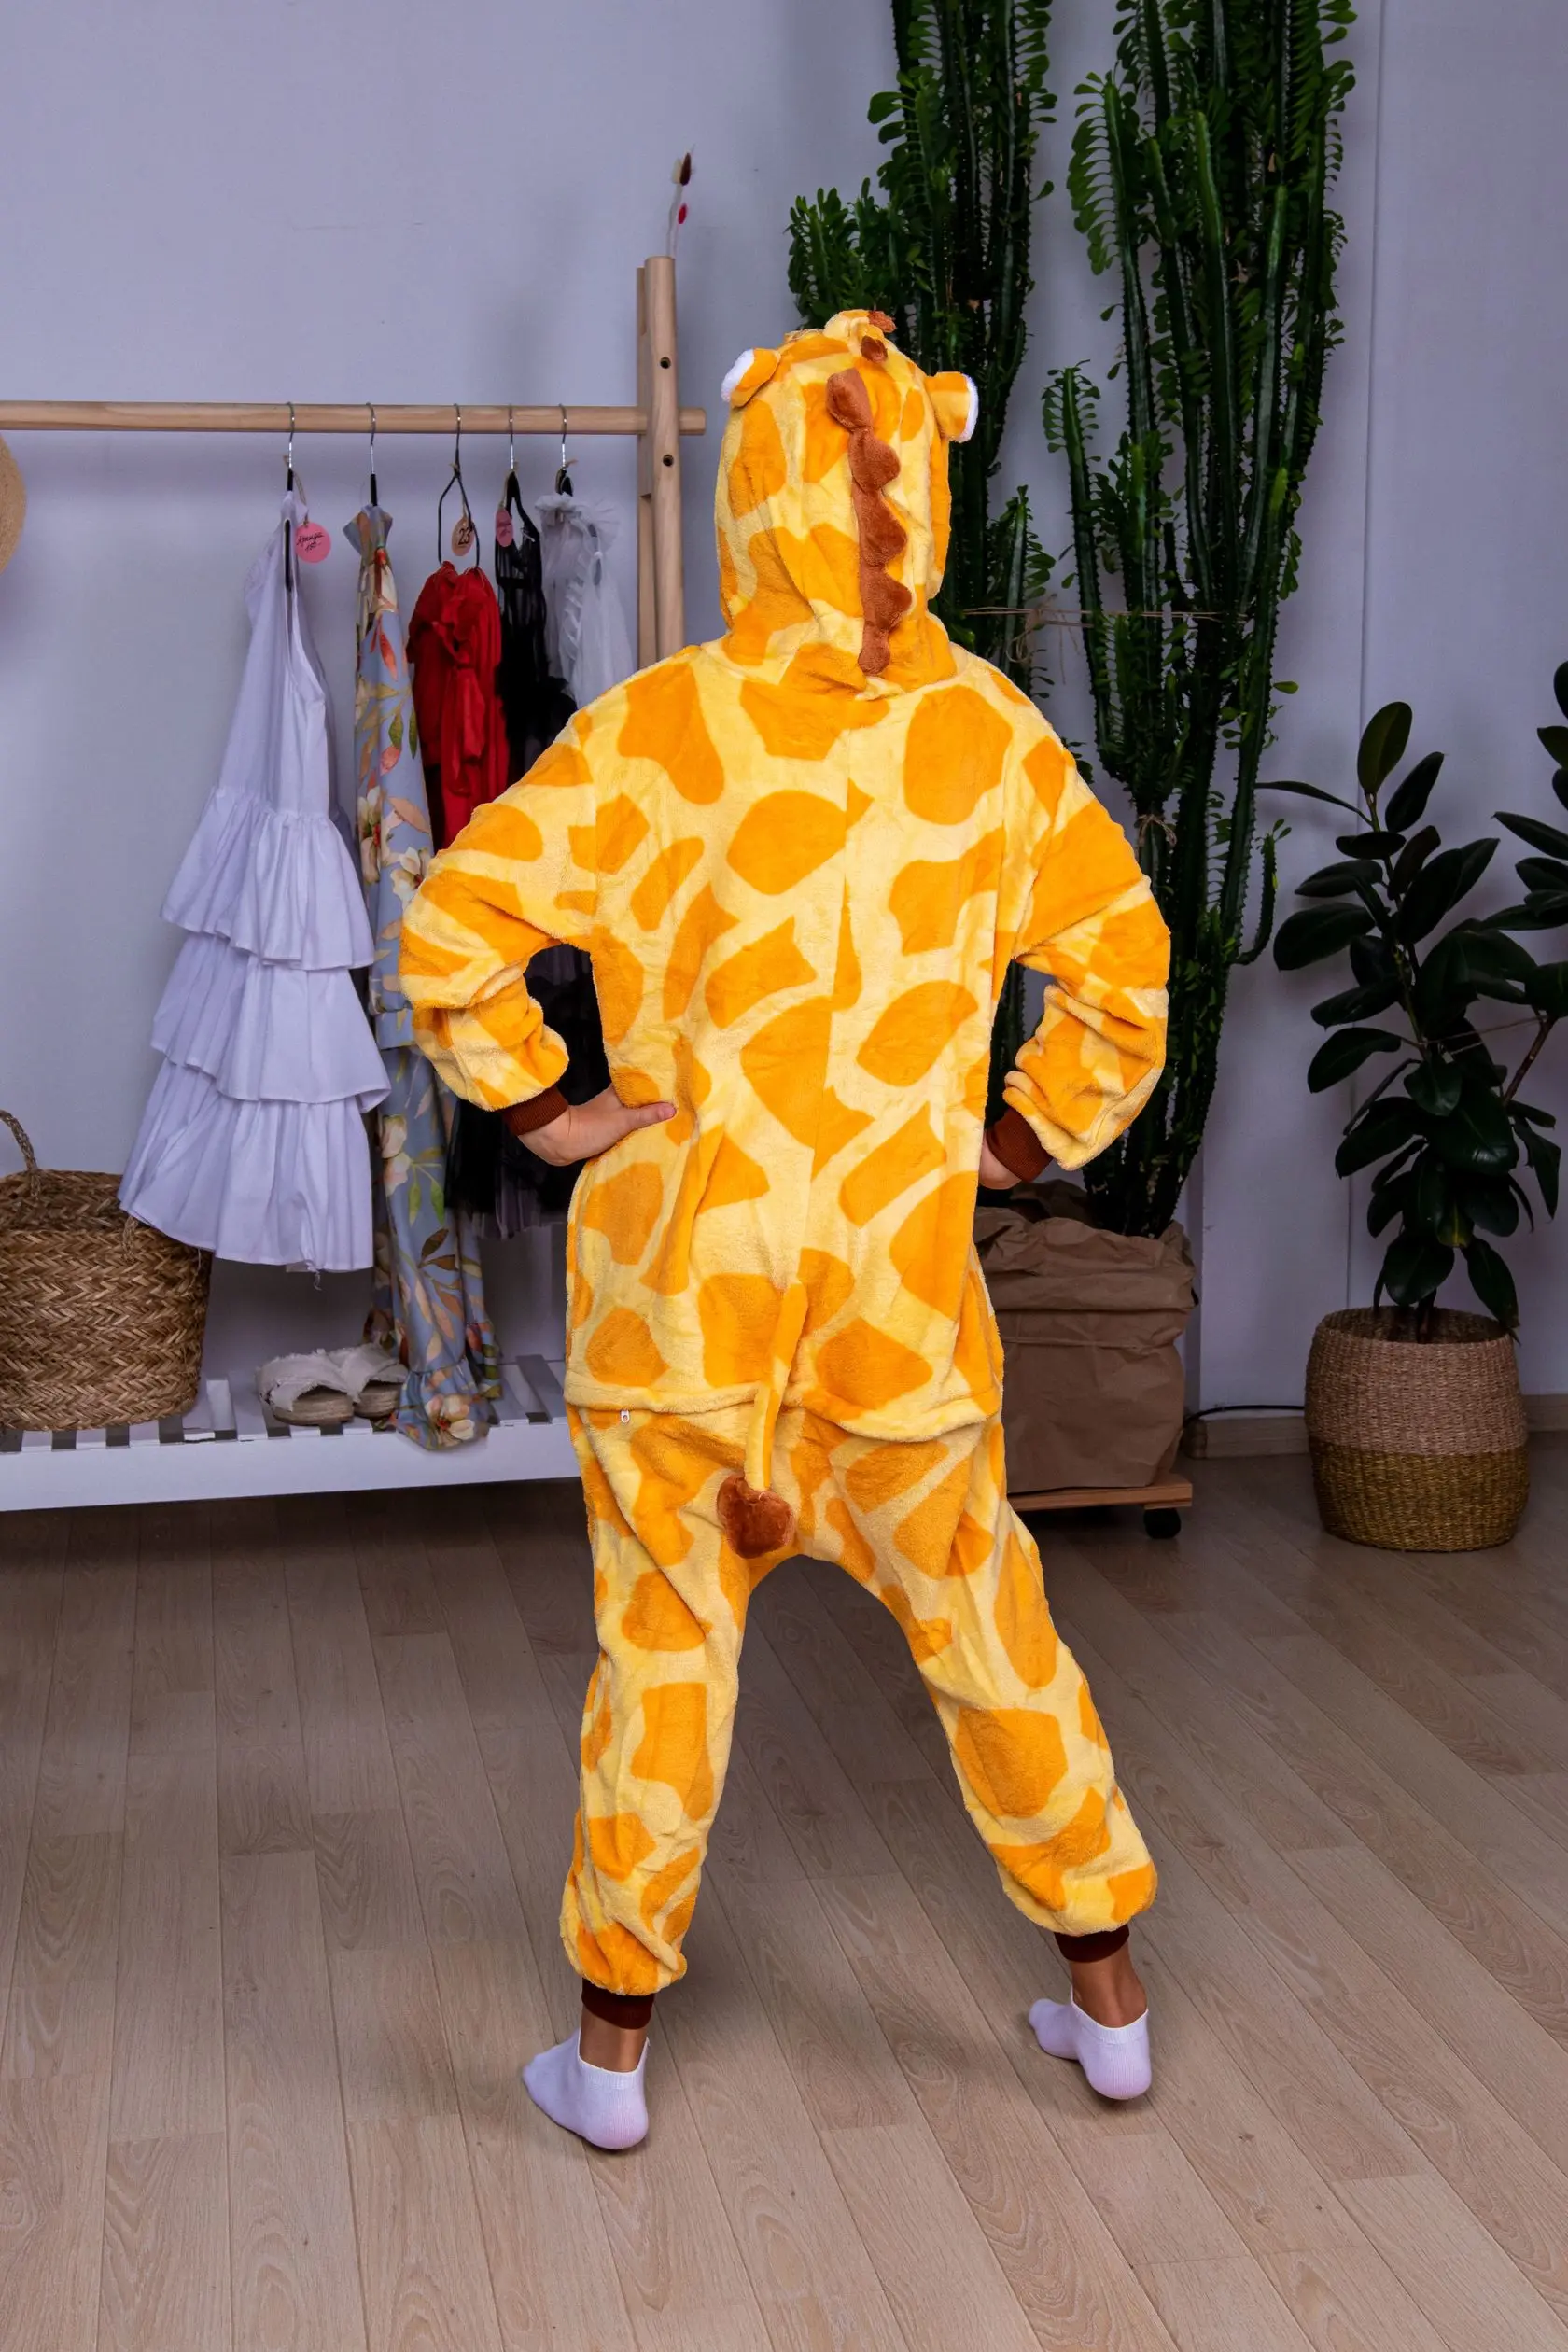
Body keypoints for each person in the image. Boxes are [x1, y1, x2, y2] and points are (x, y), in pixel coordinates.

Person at [399, 310, 1169, 2151]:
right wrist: (1006, 1145)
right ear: (926, 489)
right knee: (995, 1641)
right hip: (895, 1321)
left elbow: (453, 929)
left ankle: (607, 2063)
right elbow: (1125, 979)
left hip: (685, 1319)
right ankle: (1114, 2016)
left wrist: (554, 1112)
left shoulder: (659, 730)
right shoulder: (990, 743)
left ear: (751, 483)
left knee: (661, 1667)